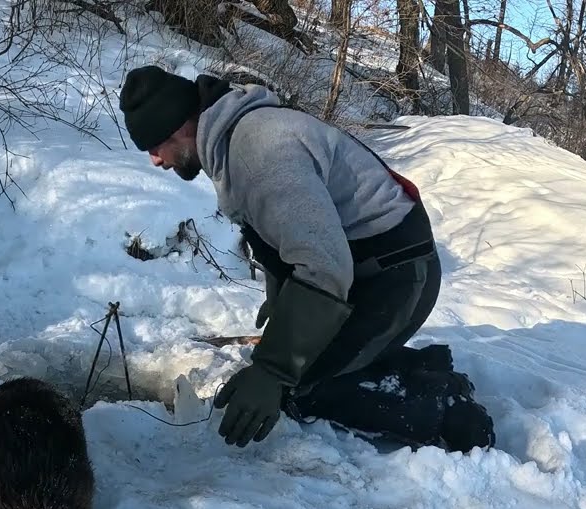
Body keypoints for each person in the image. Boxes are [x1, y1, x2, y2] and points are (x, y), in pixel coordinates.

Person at [117, 64, 495, 452]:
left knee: (297, 390)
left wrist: (272, 371)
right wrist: (282, 299)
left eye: (154, 146)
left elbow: (324, 265)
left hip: (396, 279)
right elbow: (289, 236)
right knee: (300, 364)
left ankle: (447, 411)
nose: (156, 161)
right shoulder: (234, 141)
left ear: (180, 126)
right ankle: (423, 370)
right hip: (367, 273)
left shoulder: (258, 152)